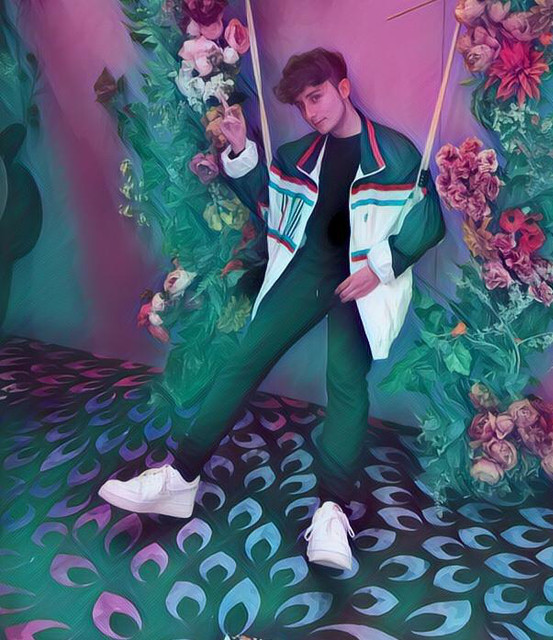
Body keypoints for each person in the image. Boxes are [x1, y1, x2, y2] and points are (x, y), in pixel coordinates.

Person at [99, 48, 445, 571]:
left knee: (345, 381)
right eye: (302, 104)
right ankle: (180, 478)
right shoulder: (297, 154)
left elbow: (428, 219)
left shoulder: (395, 153)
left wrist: (382, 266)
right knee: (244, 359)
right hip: (306, 272)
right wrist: (241, 149)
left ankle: (331, 511)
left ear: (343, 88)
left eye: (317, 97)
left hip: (361, 281)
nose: (311, 112)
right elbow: (269, 205)